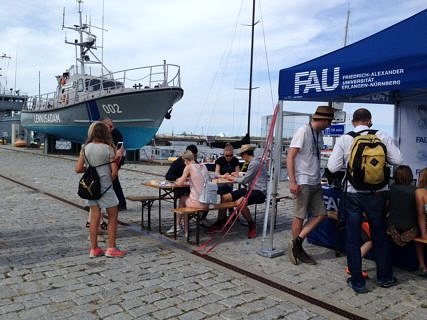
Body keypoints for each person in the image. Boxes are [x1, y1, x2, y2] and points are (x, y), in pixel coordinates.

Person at [327, 108, 403, 293]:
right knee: (379, 234)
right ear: (370, 121)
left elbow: (332, 166)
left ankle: (358, 281)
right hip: (378, 192)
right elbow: (399, 160)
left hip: (353, 192)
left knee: (353, 237)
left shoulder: (346, 139)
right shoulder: (382, 135)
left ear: (354, 122)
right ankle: (385, 277)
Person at [287, 105, 334, 265]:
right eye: (328, 122)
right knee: (299, 216)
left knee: (321, 214)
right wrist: (293, 180)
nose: (329, 125)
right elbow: (290, 156)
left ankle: (297, 243)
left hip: (315, 180)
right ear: (321, 120)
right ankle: (297, 248)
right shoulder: (303, 131)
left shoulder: (319, 134)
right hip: (303, 180)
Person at [75, 121, 126, 258]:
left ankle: (94, 249)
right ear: (105, 133)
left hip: (91, 188)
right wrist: (118, 157)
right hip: (105, 187)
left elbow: (78, 169)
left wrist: (92, 169)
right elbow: (114, 174)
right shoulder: (109, 148)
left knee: (94, 218)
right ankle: (111, 248)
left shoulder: (84, 147)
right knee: (113, 216)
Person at [215, 144, 268, 239]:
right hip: (251, 188)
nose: (241, 157)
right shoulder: (254, 161)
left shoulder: (254, 163)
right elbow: (248, 176)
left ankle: (251, 224)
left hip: (259, 191)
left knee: (240, 202)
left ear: (245, 154)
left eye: (241, 155)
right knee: (225, 197)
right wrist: (237, 175)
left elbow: (245, 180)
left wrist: (231, 178)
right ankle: (220, 221)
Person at [173, 150, 210, 236]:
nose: (184, 163)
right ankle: (179, 227)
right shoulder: (203, 166)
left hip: (198, 203)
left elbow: (179, 183)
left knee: (182, 199)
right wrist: (190, 180)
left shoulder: (188, 167)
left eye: (184, 161)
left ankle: (181, 228)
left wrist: (175, 181)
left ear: (186, 160)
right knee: (186, 199)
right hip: (207, 202)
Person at [165, 144, 198, 235]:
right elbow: (168, 176)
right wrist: (177, 179)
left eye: (195, 156)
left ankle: (179, 225)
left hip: (191, 190)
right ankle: (181, 225)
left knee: (184, 200)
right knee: (183, 198)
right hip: (180, 190)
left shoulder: (195, 164)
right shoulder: (177, 163)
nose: (194, 159)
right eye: (193, 156)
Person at [386, 165, 418, 246]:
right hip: (410, 226)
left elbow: (386, 208)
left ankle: (396, 234)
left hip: (393, 225)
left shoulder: (391, 189)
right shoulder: (416, 191)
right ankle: (405, 236)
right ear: (410, 176)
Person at [210, 143, 240, 226]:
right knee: (226, 193)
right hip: (221, 184)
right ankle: (225, 216)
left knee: (228, 193)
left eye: (231, 155)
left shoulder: (235, 160)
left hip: (230, 183)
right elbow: (216, 173)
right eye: (227, 156)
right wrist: (222, 176)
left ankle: (224, 217)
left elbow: (238, 172)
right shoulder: (220, 160)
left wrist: (235, 174)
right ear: (224, 154)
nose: (229, 157)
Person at [103, 117, 126, 211]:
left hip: (116, 159)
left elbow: (119, 150)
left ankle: (121, 203)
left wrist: (114, 162)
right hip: (113, 159)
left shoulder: (116, 133)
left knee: (113, 180)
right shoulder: (108, 133)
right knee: (113, 181)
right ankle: (120, 203)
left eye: (110, 125)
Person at [415, 168, 427, 277]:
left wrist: (424, 235)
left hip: (425, 225)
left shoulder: (420, 192)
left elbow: (421, 215)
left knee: (418, 240)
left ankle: (422, 266)